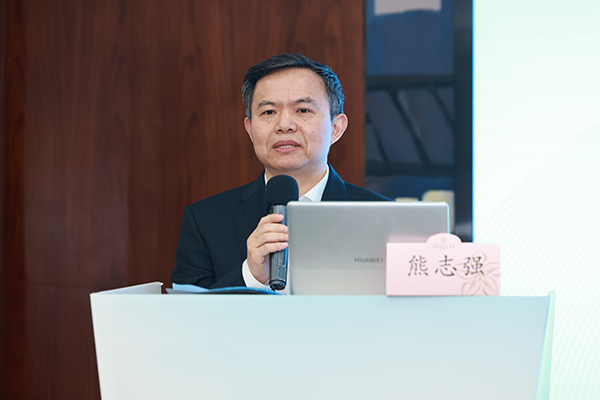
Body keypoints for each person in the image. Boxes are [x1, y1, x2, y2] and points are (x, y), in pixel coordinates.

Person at [171, 53, 390, 291]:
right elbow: (187, 312)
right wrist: (250, 275)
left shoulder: (387, 219)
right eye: (269, 112)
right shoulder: (204, 221)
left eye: (303, 110)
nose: (284, 125)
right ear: (250, 129)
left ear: (336, 128)